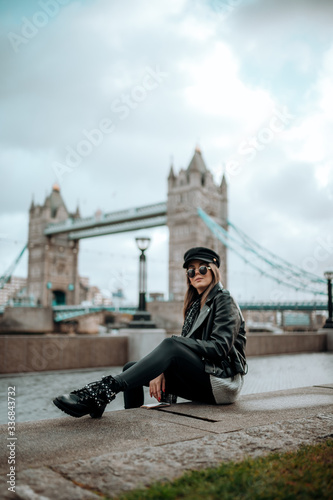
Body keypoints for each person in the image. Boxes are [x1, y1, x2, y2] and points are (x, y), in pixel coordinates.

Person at [53, 247, 247, 418]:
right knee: (130, 368)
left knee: (172, 343)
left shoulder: (224, 300)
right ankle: (131, 418)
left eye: (202, 268)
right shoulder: (195, 307)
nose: (197, 273)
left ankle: (102, 392)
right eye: (191, 271)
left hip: (222, 383)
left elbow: (219, 348)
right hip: (205, 377)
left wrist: (176, 345)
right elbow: (185, 355)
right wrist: (162, 368)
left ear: (213, 270)